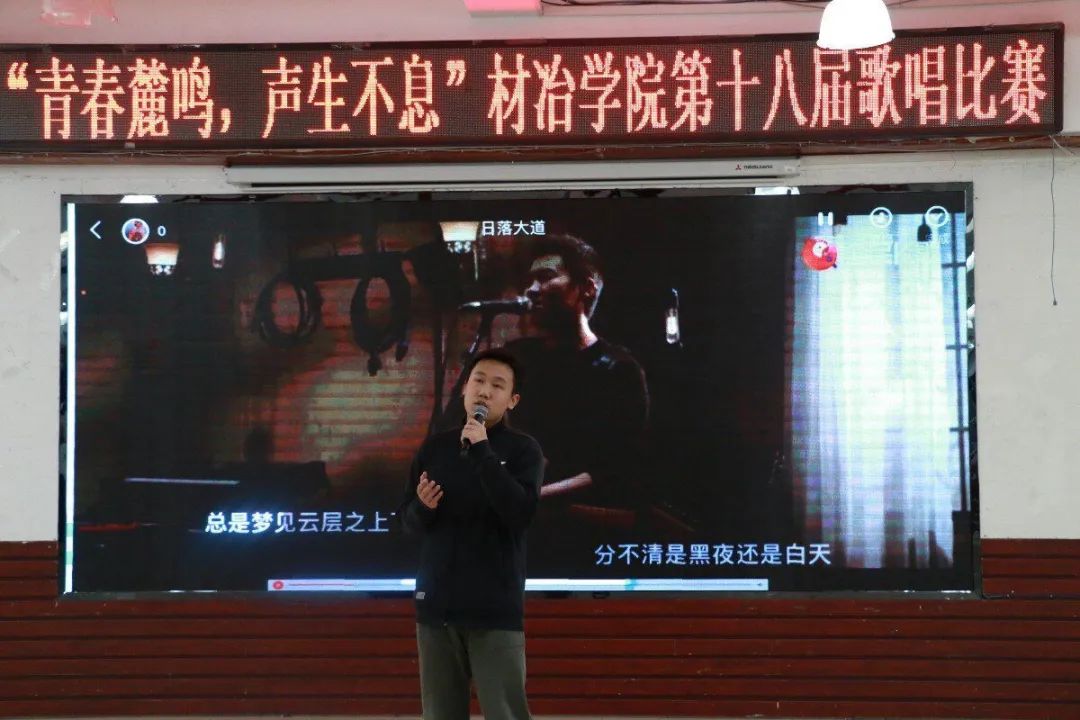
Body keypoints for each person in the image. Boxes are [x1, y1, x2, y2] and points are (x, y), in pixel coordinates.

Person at [399, 348, 543, 720]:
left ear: (512, 400)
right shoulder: (435, 448)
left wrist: (482, 451)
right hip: (437, 610)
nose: (484, 391)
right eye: (478, 380)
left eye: (497, 385)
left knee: (505, 712)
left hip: (493, 611)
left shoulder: (523, 450)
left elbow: (520, 512)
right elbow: (406, 523)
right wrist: (423, 507)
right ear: (465, 387)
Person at [504, 233, 649, 515]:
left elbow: (613, 468)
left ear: (587, 288)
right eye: (531, 280)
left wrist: (531, 496)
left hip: (575, 519)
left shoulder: (619, 370)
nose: (531, 290)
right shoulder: (516, 358)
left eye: (546, 277)